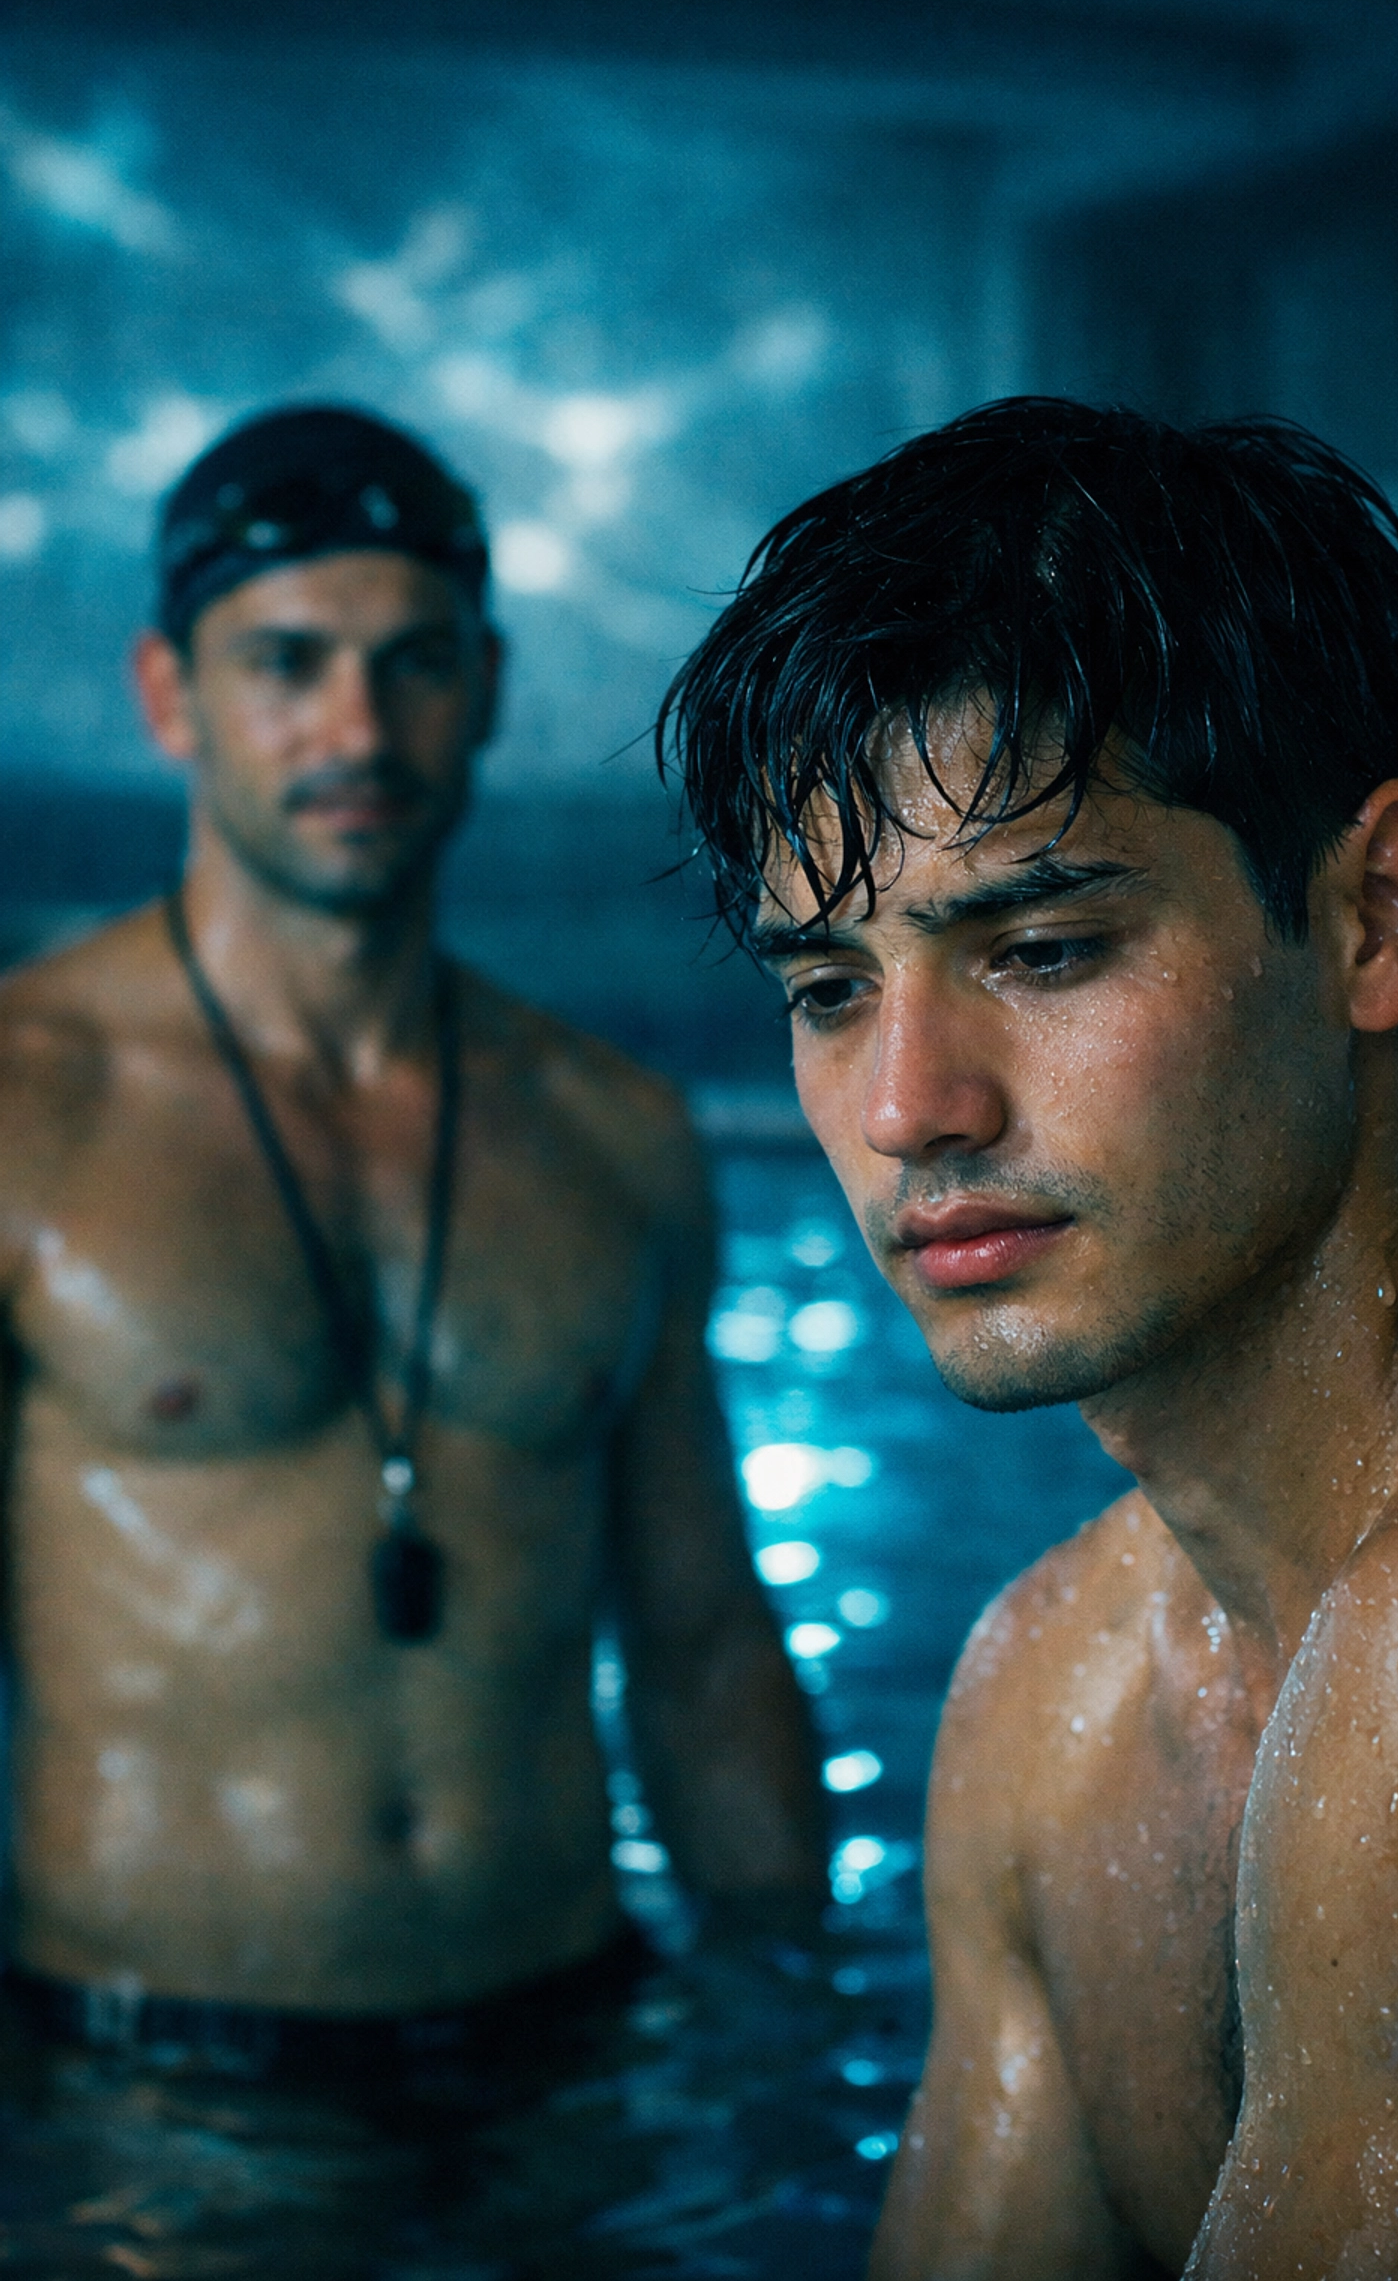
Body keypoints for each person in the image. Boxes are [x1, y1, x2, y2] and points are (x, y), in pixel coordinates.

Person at [658, 398, 1398, 2276]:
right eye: (831, 987)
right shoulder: (1048, 1689)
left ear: (1379, 915)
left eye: (1043, 951)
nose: (909, 1108)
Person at [0, 403, 823, 2074]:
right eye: (286, 664)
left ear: (488, 687)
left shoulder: (612, 1134)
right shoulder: (31, 1114)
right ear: (170, 696)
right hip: (154, 2078)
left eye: (415, 664)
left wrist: (793, 2034)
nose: (357, 729)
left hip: (560, 2054)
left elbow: (703, 1648)